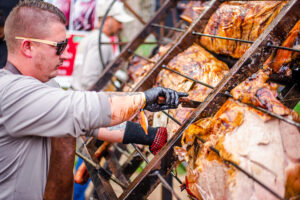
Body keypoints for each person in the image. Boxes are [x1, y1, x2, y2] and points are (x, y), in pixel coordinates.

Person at [0, 1, 188, 200]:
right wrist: (141, 99)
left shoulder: (45, 87)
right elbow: (83, 110)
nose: (64, 55)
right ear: (28, 47)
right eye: (59, 46)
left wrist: (148, 135)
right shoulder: (11, 93)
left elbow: (92, 125)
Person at [71, 0, 133, 91]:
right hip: (85, 98)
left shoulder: (90, 37)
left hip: (77, 93)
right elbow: (89, 80)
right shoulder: (103, 41)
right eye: (119, 22)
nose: (121, 27)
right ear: (107, 19)